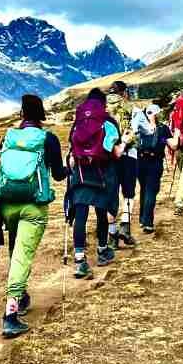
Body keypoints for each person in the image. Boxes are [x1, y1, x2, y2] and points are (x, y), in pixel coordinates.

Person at [0, 94, 69, 338]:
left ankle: (22, 295)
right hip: (34, 206)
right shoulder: (48, 139)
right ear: (42, 115)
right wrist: (70, 166)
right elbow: (58, 175)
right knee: (22, 256)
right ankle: (11, 314)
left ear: (22, 113)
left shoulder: (9, 137)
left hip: (6, 204)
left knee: (16, 250)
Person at [68, 88, 124, 279]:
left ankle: (79, 260)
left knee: (81, 215)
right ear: (104, 103)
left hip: (82, 174)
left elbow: (72, 152)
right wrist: (124, 145)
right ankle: (102, 251)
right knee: (101, 212)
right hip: (102, 174)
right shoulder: (108, 122)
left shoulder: (78, 122)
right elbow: (115, 152)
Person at [108, 80, 140, 247]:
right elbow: (135, 131)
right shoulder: (130, 108)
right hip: (128, 154)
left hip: (108, 157)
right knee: (128, 193)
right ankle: (125, 227)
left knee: (111, 195)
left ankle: (111, 236)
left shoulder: (102, 109)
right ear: (124, 92)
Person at [134, 103, 170, 234]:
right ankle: (148, 223)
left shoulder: (138, 127)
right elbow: (172, 144)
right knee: (151, 190)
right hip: (155, 162)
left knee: (144, 189)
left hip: (140, 162)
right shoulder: (163, 128)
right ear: (157, 114)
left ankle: (142, 219)